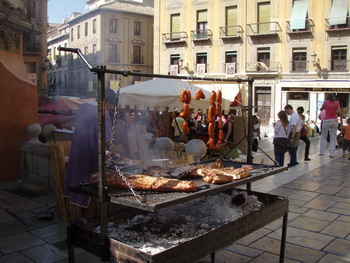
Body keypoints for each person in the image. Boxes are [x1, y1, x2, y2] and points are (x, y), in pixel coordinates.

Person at [64, 88, 116, 217]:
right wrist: (113, 151)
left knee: (78, 187)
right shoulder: (103, 112)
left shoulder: (83, 107)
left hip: (77, 152)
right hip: (90, 157)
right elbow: (107, 140)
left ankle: (78, 220)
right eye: (110, 105)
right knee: (91, 191)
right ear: (106, 101)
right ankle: (90, 223)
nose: (110, 108)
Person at [319, 94, 341, 158]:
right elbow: (339, 111)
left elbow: (321, 109)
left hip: (326, 121)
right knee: (333, 138)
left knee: (323, 136)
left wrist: (326, 107)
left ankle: (321, 152)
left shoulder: (325, 103)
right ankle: (332, 153)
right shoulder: (337, 103)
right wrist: (335, 111)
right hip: (334, 120)